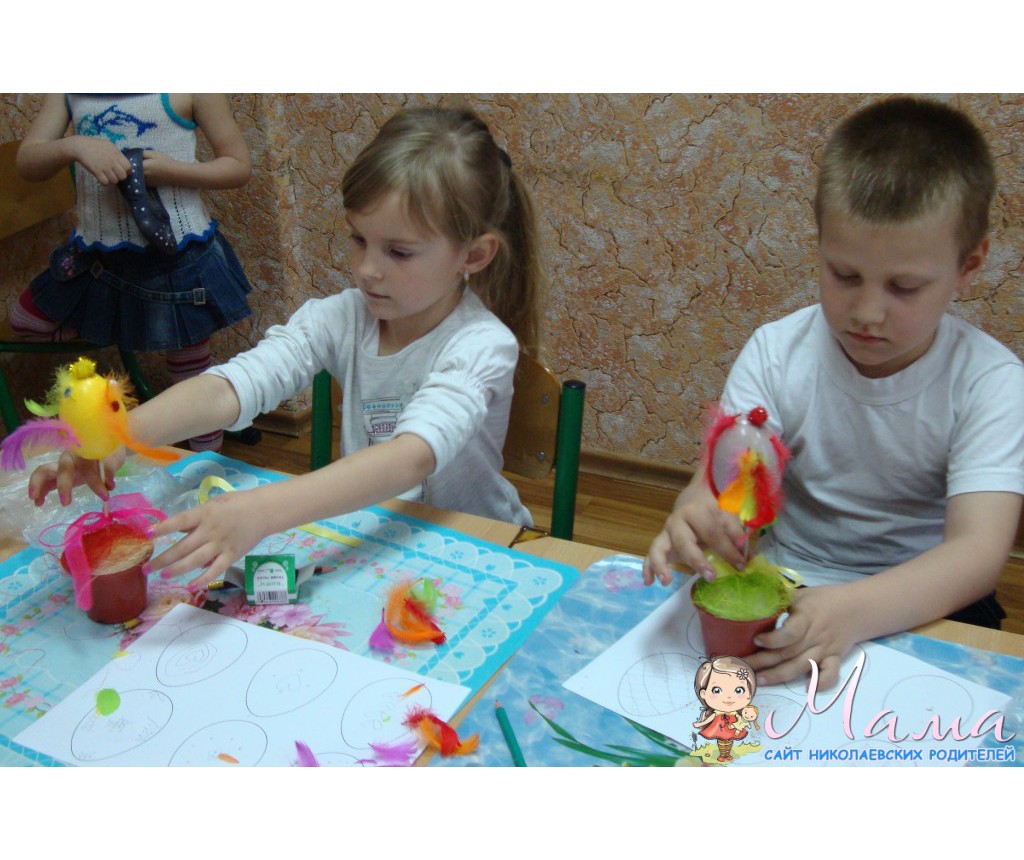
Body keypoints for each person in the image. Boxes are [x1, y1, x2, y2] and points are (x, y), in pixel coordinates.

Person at [29, 106, 545, 585]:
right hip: (379, 535)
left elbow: (411, 458)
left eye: (399, 252)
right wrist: (120, 435)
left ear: (473, 256)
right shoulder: (341, 317)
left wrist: (264, 510)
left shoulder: (483, 345)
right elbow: (232, 387)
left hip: (479, 547)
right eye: (359, 239)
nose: (368, 269)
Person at [646, 97, 1024, 687]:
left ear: (969, 265)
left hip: (928, 601)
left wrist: (851, 613)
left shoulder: (990, 382)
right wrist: (697, 515)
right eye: (844, 275)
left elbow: (976, 555)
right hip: (791, 581)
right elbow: (723, 487)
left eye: (904, 287)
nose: (867, 312)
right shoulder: (777, 352)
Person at [8, 93, 254, 453]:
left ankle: (207, 462)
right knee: (25, 320)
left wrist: (173, 170)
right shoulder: (68, 89)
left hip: (178, 261)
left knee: (189, 374)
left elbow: (238, 166)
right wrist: (75, 145)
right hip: (99, 261)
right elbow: (28, 162)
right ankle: (119, 326)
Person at [692, 656, 756, 763]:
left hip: (732, 727)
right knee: (722, 741)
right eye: (716, 690)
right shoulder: (717, 713)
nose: (729, 697)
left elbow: (743, 718)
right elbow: (710, 718)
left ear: (749, 694)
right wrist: (700, 724)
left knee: (729, 741)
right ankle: (722, 754)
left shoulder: (736, 713)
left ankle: (727, 754)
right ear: (703, 694)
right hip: (719, 727)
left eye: (739, 690)